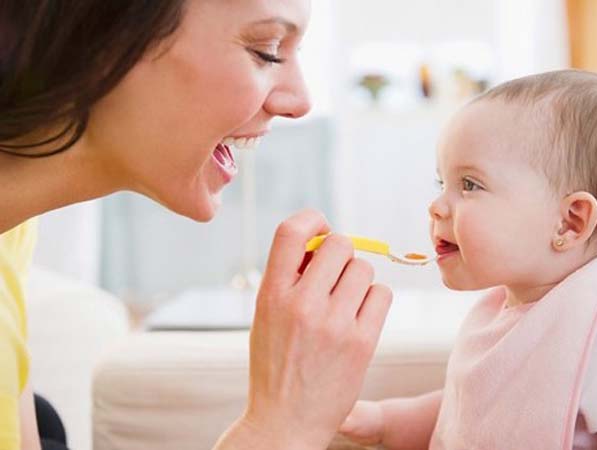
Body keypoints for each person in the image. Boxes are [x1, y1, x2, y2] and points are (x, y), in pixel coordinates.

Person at [0, 1, 393, 449]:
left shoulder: (13, 231)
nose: (299, 101)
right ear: (98, 32)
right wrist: (283, 424)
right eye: (265, 50)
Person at [339, 69, 597, 450]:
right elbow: (476, 409)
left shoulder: (590, 325)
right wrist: (386, 422)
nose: (436, 206)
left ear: (569, 222)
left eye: (470, 185)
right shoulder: (502, 311)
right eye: (441, 184)